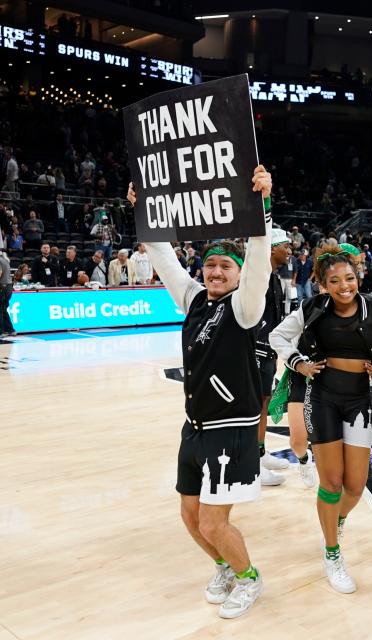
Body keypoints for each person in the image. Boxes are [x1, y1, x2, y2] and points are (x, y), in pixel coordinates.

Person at [127, 167, 273, 619]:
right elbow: (164, 257)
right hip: (194, 428)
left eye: (224, 266)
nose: (215, 271)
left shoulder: (246, 306)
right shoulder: (192, 299)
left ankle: (250, 578)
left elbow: (259, 265)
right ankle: (225, 567)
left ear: (237, 273)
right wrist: (143, 212)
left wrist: (262, 209)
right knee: (190, 518)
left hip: (231, 429)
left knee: (214, 520)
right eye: (210, 264)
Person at [269, 241, 372, 594]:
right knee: (332, 482)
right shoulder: (314, 307)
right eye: (334, 281)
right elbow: (278, 335)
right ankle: (332, 552)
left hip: (358, 400)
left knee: (354, 486)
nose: (344, 286)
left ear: (358, 276)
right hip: (322, 398)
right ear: (322, 283)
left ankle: (337, 522)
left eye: (349, 278)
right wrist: (297, 363)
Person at [254, 228, 297, 488]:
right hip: (254, 352)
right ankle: (251, 464)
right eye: (285, 246)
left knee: (264, 404)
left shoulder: (273, 278)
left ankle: (259, 454)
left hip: (267, 350)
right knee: (254, 408)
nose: (289, 251)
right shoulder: (258, 278)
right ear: (271, 248)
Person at [0, 250, 13, 335]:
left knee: (0, 310)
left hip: (2, 287)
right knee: (3, 309)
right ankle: (10, 329)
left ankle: (1, 331)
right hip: (8, 287)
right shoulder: (4, 259)